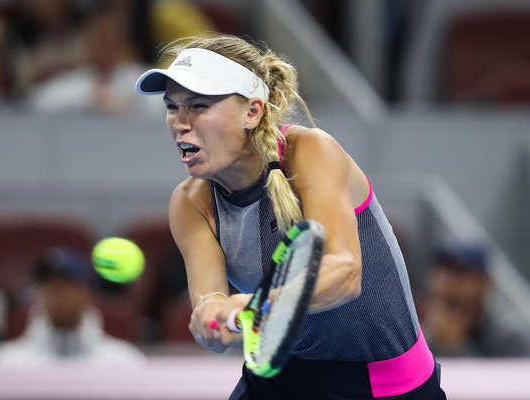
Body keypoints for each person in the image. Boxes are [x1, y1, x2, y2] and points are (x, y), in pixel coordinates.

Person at [135, 34, 445, 399]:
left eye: (199, 106)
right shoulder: (190, 203)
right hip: (277, 378)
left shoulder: (311, 150)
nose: (179, 122)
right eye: (172, 106)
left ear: (252, 111)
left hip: (385, 384)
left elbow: (345, 276)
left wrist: (259, 305)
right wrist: (215, 321)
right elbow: (213, 312)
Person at [0, 246, 145, 367]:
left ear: (87, 293)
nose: (56, 292)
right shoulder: (6, 362)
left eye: (66, 284)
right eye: (48, 284)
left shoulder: (124, 363)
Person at [422, 238, 530, 357]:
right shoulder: (422, 331)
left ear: (485, 283)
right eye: (444, 271)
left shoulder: (508, 336)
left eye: (460, 273)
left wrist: (453, 344)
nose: (449, 282)